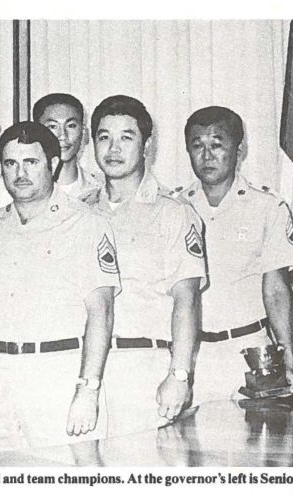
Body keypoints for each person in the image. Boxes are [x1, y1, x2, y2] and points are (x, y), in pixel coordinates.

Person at [0, 121, 119, 452]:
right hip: (2, 374)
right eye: (11, 163)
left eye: (31, 162)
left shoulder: (86, 223)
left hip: (58, 372)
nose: (20, 173)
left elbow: (102, 312)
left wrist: (88, 389)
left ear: (53, 165)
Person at [88, 95, 205, 436]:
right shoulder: (79, 213)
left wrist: (179, 375)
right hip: (82, 370)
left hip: (143, 368)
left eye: (126, 137)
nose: (113, 148)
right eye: (104, 136)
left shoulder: (172, 212)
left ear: (147, 146)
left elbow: (188, 300)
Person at [179, 106, 293, 404]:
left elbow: (276, 290)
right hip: (191, 356)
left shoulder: (267, 207)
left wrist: (288, 357)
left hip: (251, 353)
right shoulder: (174, 207)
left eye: (217, 144)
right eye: (197, 145)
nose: (207, 155)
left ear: (239, 149)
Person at [33, 93, 103, 203]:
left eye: (71, 126)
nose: (63, 136)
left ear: (83, 133)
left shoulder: (101, 189)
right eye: (53, 126)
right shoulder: (22, 188)